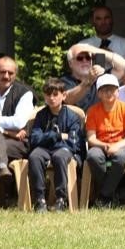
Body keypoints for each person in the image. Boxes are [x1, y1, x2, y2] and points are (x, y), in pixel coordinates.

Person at [0, 56, 34, 203]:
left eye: (10, 73)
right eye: (2, 72)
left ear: (15, 74)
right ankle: (0, 178)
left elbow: (19, 122)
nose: (6, 76)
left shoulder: (25, 93)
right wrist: (5, 131)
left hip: (18, 142)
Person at [27, 79, 83, 212]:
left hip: (65, 150)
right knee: (35, 156)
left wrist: (48, 139)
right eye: (48, 95)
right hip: (44, 149)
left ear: (63, 95)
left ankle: (61, 199)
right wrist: (56, 136)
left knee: (59, 156)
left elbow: (73, 142)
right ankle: (40, 199)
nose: (51, 98)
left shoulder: (72, 117)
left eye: (55, 94)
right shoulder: (40, 116)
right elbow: (35, 139)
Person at [83, 74, 125, 208]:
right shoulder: (93, 111)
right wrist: (106, 145)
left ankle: (104, 196)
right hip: (100, 145)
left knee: (120, 157)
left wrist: (116, 146)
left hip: (123, 146)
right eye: (104, 90)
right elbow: (91, 138)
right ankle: (115, 194)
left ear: (118, 92)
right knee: (93, 156)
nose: (109, 93)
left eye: (112, 89)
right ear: (99, 94)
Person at [61, 42, 125, 111]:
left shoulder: (101, 77)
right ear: (70, 63)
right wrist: (88, 81)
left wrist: (95, 50)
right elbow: (67, 99)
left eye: (88, 57)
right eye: (80, 58)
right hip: (78, 121)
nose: (85, 61)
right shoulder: (64, 81)